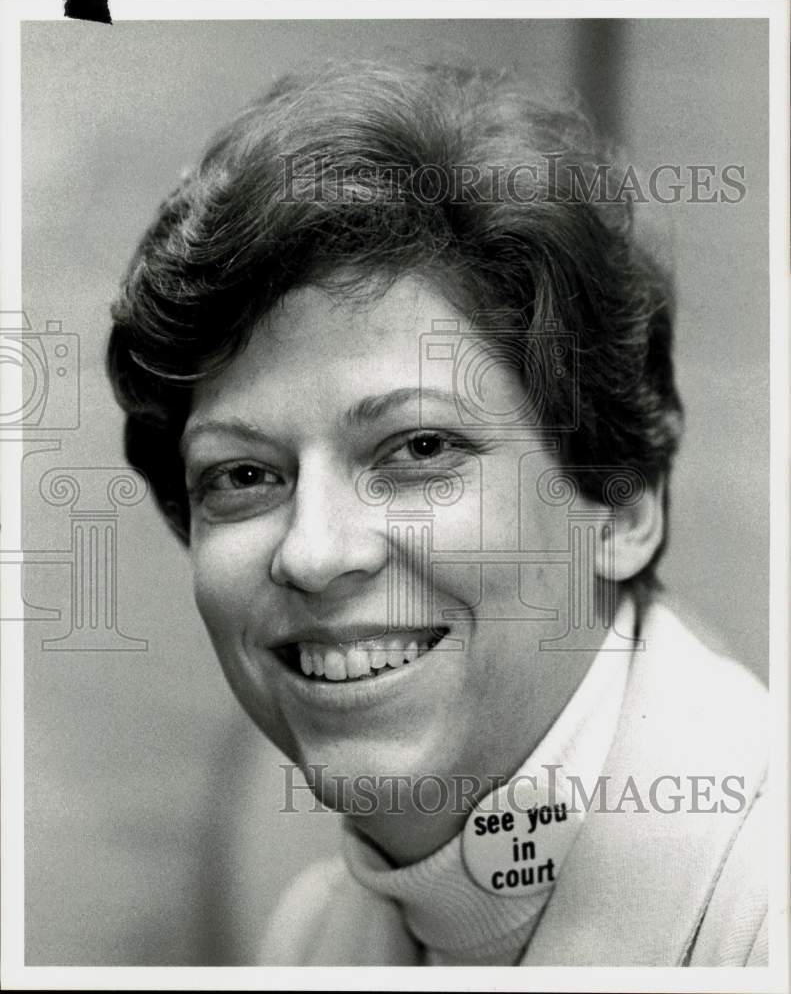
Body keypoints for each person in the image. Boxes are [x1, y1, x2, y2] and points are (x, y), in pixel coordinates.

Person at [106, 62, 768, 967]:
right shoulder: (310, 941)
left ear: (620, 503)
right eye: (244, 475)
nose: (312, 553)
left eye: (419, 450)